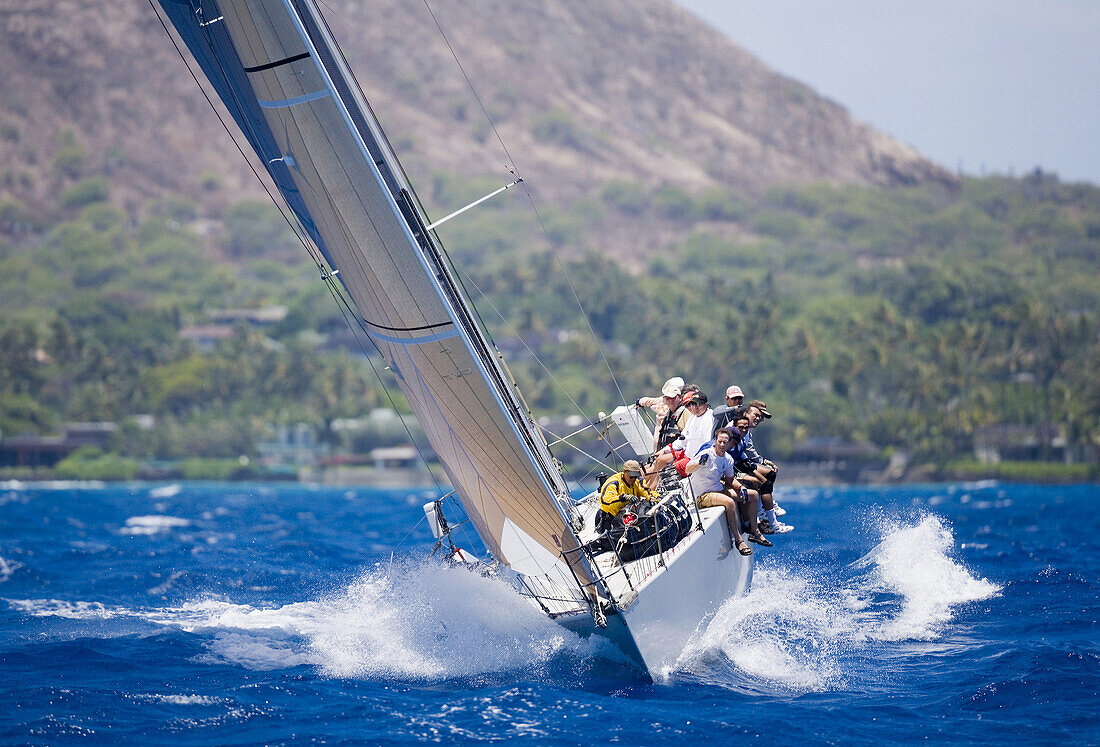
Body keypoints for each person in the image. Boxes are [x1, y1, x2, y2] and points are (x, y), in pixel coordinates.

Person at [683, 427, 771, 556]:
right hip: (702, 495)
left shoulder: (727, 458)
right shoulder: (706, 454)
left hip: (718, 490)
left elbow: (730, 480)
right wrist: (699, 464)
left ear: (729, 442)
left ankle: (755, 531)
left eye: (725, 442)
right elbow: (687, 470)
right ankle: (738, 540)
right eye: (720, 441)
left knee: (753, 495)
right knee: (729, 503)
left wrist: (741, 488)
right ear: (715, 441)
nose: (722, 444)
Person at [733, 406, 792, 534]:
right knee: (760, 483)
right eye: (757, 415)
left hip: (741, 463)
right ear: (745, 413)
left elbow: (746, 452)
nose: (759, 419)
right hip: (733, 468)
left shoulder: (746, 432)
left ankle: (767, 511)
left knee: (769, 474)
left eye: (761, 417)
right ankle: (767, 518)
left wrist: (763, 462)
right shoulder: (733, 432)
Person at [646, 391, 714, 488]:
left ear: (706, 404)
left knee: (667, 471)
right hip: (686, 454)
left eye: (698, 404)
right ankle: (649, 489)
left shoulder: (709, 418)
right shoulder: (692, 419)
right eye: (692, 404)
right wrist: (665, 450)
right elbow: (682, 441)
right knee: (660, 459)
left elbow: (708, 444)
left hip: (696, 459)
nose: (694, 407)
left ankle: (652, 490)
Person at [596, 459, 658, 533]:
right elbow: (605, 499)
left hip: (628, 516)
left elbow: (646, 491)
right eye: (631, 476)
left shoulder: (638, 481)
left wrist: (655, 497)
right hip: (609, 519)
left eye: (635, 476)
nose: (633, 479)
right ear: (624, 472)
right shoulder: (614, 482)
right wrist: (623, 497)